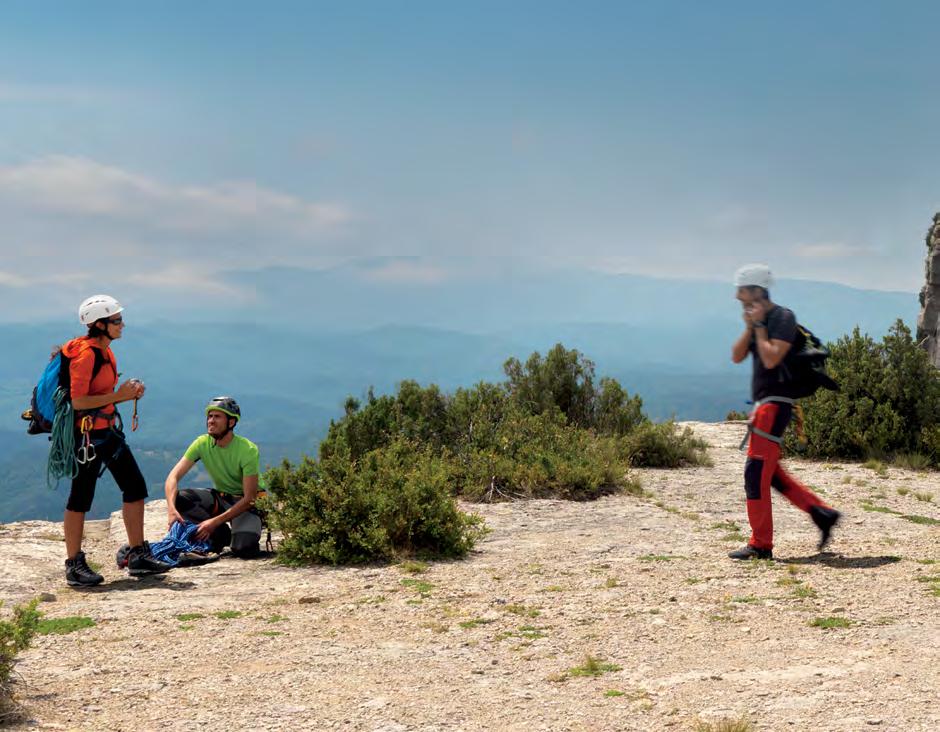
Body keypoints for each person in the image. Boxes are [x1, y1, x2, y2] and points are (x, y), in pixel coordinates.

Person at [730, 264, 841, 559]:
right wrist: (749, 327)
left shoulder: (782, 318)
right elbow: (737, 356)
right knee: (772, 475)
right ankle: (822, 514)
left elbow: (770, 359)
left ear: (756, 290)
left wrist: (761, 328)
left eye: (741, 290)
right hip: (764, 407)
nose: (737, 296)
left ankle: (760, 545)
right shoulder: (760, 320)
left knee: (755, 474)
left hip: (775, 405)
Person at [64, 295, 172, 586]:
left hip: (107, 431)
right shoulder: (86, 355)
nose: (122, 324)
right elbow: (78, 402)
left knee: (135, 486)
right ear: (100, 324)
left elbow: (101, 395)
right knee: (80, 497)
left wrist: (127, 392)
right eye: (116, 320)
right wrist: (119, 396)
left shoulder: (106, 352)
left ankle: (138, 554)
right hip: (87, 435)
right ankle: (74, 564)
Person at [163, 397, 263, 558]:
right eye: (210, 416)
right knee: (180, 498)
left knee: (243, 548)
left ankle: (231, 532)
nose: (211, 421)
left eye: (217, 417)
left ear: (231, 422)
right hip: (221, 498)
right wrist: (172, 510)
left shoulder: (248, 450)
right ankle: (220, 535)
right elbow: (172, 478)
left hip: (245, 504)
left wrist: (213, 522)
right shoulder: (202, 443)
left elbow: (250, 498)